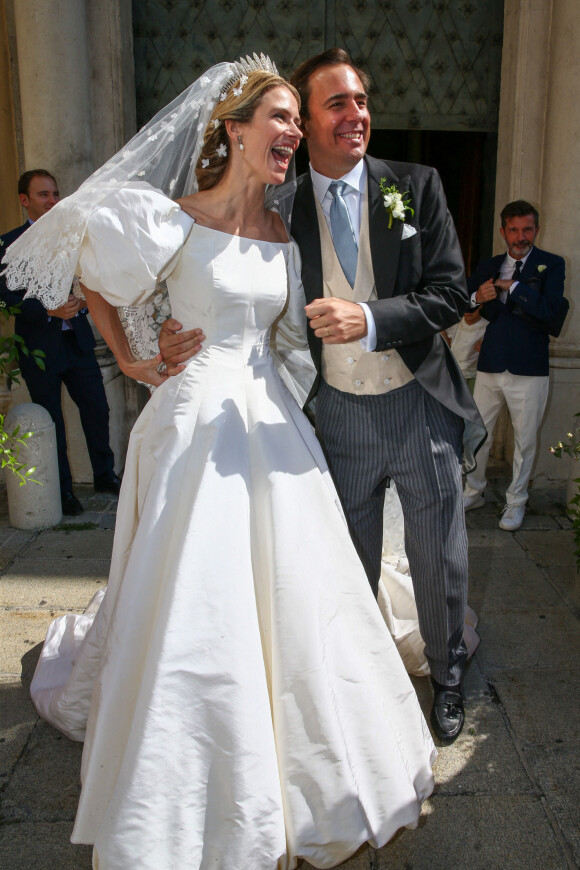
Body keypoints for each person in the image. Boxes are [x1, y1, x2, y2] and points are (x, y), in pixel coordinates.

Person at [4, 58, 435, 869]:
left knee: (300, 594)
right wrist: (134, 356)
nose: (293, 133)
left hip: (270, 423)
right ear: (233, 133)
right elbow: (84, 270)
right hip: (192, 424)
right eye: (279, 118)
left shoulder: (283, 233)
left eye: (293, 123)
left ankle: (310, 773)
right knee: (195, 596)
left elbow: (282, 339)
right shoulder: (171, 219)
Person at [160, 48, 486, 744]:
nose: (356, 115)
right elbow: (226, 273)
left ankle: (450, 677)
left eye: (362, 101)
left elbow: (451, 292)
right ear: (305, 123)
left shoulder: (415, 185)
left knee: (438, 554)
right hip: (333, 412)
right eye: (337, 103)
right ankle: (352, 682)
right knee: (345, 561)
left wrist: (369, 318)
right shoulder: (277, 206)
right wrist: (170, 329)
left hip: (418, 402)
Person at [0, 170, 121, 515]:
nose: (52, 200)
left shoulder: (74, 237)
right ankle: (64, 491)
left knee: (97, 409)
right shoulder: (8, 243)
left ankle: (104, 474)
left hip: (79, 341)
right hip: (40, 348)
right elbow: (5, 298)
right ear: (24, 200)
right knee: (52, 420)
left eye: (55, 193)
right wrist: (47, 310)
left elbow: (94, 276)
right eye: (43, 195)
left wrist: (84, 300)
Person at [463, 199, 565, 531]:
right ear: (503, 231)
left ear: (536, 229)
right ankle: (473, 492)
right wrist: (479, 297)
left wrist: (514, 287)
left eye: (527, 229)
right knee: (478, 432)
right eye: (514, 230)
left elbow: (551, 311)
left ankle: (516, 501)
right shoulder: (489, 265)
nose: (521, 237)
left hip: (529, 365)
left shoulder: (551, 265)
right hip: (491, 362)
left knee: (525, 440)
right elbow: (465, 307)